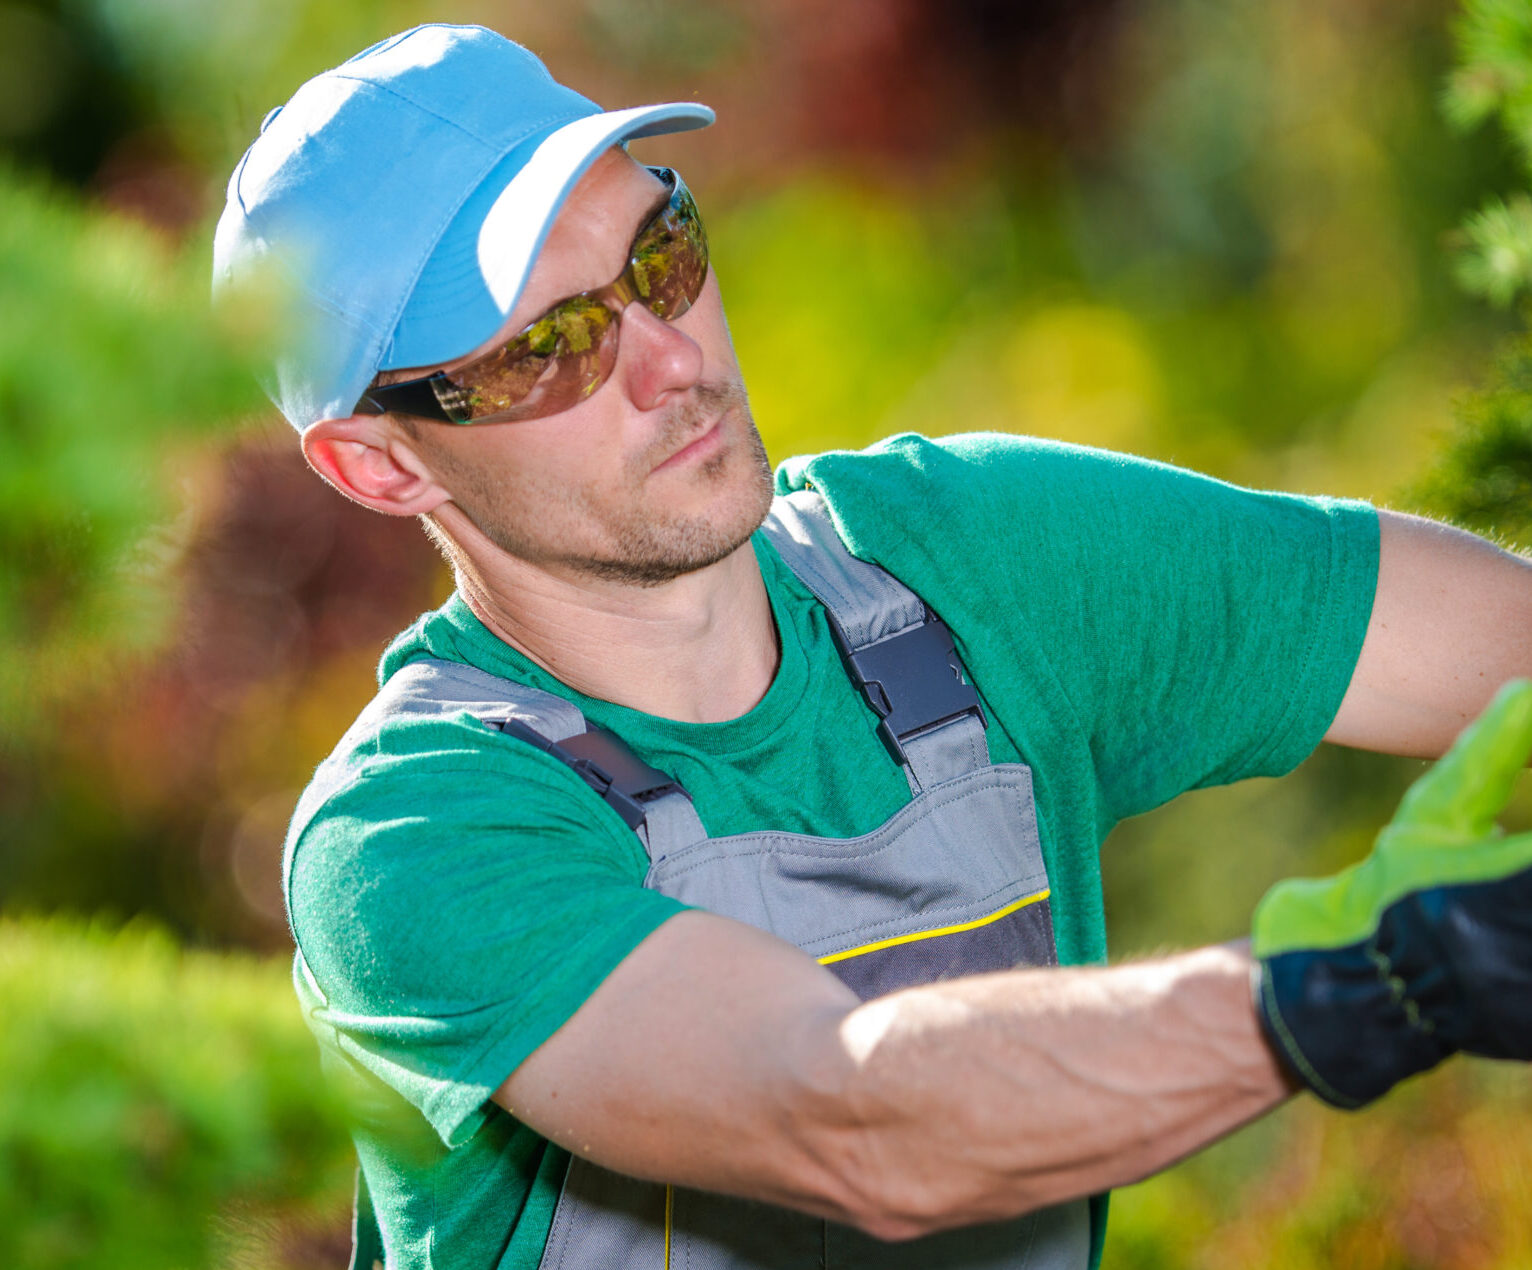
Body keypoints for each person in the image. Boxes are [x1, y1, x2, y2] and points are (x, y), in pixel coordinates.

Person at [213, 23, 1532, 1270]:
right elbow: (849, 1113)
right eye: (549, 349)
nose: (672, 361)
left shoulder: (970, 563)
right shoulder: (412, 837)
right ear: (379, 463)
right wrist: (1368, 981)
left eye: (660, 251)